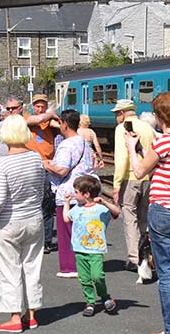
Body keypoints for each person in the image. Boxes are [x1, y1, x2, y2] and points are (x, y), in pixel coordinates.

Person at [126, 92, 170, 334]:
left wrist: (132, 149)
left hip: (163, 210)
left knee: (165, 274)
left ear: (161, 116)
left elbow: (140, 170)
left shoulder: (163, 144)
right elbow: (166, 163)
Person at [0, 115, 47, 333]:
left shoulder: (2, 164)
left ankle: (14, 317)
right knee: (32, 266)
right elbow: (41, 190)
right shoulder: (36, 158)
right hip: (34, 218)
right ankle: (31, 314)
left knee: (8, 269)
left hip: (9, 223)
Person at [44, 109, 93, 278]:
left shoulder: (66, 144)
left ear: (64, 124)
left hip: (68, 193)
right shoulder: (84, 142)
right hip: (84, 191)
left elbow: (62, 170)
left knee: (67, 232)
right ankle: (84, 266)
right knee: (81, 231)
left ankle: (69, 266)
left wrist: (46, 164)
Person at [111, 98, 155, 283]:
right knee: (144, 217)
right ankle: (146, 255)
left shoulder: (122, 129)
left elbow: (121, 159)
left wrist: (116, 184)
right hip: (147, 178)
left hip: (130, 177)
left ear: (122, 113)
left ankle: (133, 258)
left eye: (116, 114)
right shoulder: (148, 128)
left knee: (130, 217)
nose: (115, 117)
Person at [63, 174, 120, 317]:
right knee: (84, 278)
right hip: (79, 249)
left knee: (97, 276)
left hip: (95, 249)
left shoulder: (100, 209)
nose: (75, 195)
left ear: (86, 194)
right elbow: (66, 218)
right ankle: (90, 301)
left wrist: (105, 202)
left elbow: (117, 212)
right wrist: (66, 203)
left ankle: (104, 295)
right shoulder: (77, 208)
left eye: (77, 192)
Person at [23, 93, 60, 252]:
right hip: (30, 166)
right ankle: (32, 239)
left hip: (46, 166)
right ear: (33, 107)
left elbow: (64, 127)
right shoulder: (26, 118)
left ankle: (46, 241)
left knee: (46, 205)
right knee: (30, 204)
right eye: (37, 106)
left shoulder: (50, 123)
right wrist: (51, 113)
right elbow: (36, 120)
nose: (39, 109)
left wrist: (55, 120)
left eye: (42, 107)